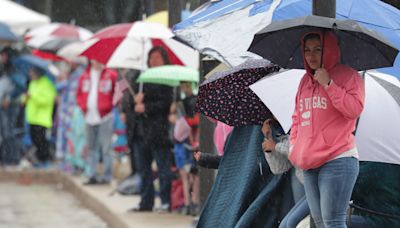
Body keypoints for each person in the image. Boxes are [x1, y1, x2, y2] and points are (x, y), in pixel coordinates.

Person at [289, 31, 365, 227]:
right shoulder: (305, 81)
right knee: (321, 223)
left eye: (318, 49)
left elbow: (354, 110)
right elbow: (297, 117)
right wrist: (294, 147)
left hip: (338, 159)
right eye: (307, 50)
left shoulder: (349, 76)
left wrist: (329, 84)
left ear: (329, 50)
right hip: (309, 164)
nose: (311, 56)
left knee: (333, 222)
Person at [129, 46, 173, 212]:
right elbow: (130, 103)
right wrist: (136, 101)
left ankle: (165, 201)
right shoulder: (142, 78)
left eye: (157, 57)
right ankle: (145, 202)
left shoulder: (168, 78)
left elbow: (166, 103)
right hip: (141, 132)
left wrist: (146, 106)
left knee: (163, 169)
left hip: (159, 131)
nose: (154, 61)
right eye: (151, 57)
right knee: (144, 170)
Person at [76, 60, 118, 185]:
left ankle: (107, 175)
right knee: (91, 148)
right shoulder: (84, 75)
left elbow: (120, 91)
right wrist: (82, 106)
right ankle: (91, 174)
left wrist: (111, 105)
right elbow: (79, 93)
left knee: (106, 148)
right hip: (89, 116)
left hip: (105, 116)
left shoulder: (111, 75)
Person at [170, 81, 200, 215]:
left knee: (192, 174)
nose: (183, 88)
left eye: (185, 85)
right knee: (187, 174)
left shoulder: (190, 102)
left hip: (188, 142)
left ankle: (192, 202)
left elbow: (194, 122)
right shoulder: (181, 103)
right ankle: (190, 202)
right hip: (185, 142)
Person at [23, 66, 57, 167]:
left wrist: (33, 97)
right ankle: (39, 161)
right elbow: (27, 98)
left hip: (42, 119)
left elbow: (47, 100)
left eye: (32, 72)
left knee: (42, 142)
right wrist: (25, 98)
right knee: (35, 140)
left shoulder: (47, 84)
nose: (30, 74)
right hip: (32, 118)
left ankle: (45, 161)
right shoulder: (32, 83)